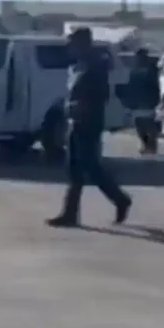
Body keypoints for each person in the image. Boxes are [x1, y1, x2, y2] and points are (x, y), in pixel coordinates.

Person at [47, 27, 132, 228]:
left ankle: (120, 199)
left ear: (84, 44)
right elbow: (74, 93)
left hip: (89, 123)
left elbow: (100, 96)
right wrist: (69, 107)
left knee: (90, 167)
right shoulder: (78, 66)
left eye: (73, 44)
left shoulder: (96, 67)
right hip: (75, 121)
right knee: (74, 168)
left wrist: (81, 108)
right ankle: (70, 214)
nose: (70, 48)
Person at [126, 48, 161, 155]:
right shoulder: (134, 71)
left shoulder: (150, 70)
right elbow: (130, 86)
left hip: (147, 101)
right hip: (138, 102)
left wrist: (155, 100)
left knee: (148, 125)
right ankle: (147, 144)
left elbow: (155, 86)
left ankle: (151, 145)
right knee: (140, 125)